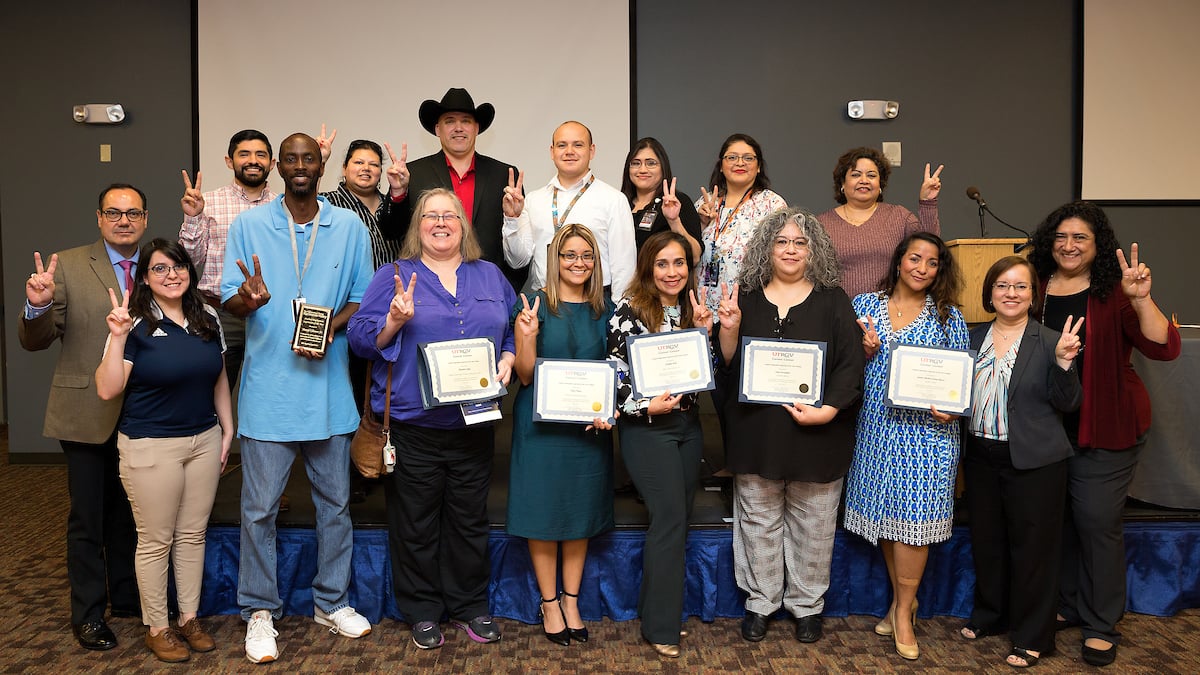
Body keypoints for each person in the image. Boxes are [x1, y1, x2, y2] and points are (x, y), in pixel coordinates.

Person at [221, 133, 374, 663]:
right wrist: (248, 297)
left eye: (310, 157)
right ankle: (260, 611)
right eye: (291, 158)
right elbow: (230, 303)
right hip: (268, 396)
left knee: (335, 507)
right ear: (280, 167)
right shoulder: (249, 226)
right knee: (259, 510)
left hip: (329, 393)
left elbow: (361, 298)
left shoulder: (349, 226)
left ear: (320, 164)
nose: (301, 165)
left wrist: (330, 328)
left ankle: (331, 602)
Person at [347, 188, 517, 650]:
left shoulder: (490, 276)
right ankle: (422, 610)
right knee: (415, 523)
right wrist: (395, 321)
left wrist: (508, 354)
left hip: (475, 425)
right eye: (430, 216)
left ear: (463, 225)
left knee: (468, 521)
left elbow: (515, 324)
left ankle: (468, 605)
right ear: (417, 225)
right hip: (413, 426)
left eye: (449, 215)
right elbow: (360, 340)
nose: (440, 223)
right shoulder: (394, 275)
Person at [1027, 202, 1181, 667]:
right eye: (1061, 237)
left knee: (1096, 523)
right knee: (1062, 523)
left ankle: (1101, 624)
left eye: (1081, 239)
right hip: (1048, 427)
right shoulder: (1036, 286)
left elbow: (1164, 347)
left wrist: (1140, 298)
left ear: (1098, 247)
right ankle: (1072, 605)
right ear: (1049, 242)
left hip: (1107, 424)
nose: (1069, 246)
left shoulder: (1115, 291)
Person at [716, 208, 864, 647]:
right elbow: (728, 363)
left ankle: (806, 607)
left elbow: (850, 367)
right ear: (767, 247)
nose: (791, 249)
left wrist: (829, 410)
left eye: (800, 242)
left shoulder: (834, 299)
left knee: (815, 525)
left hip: (819, 434)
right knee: (758, 522)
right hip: (757, 433)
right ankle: (761, 602)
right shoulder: (744, 295)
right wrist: (729, 329)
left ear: (813, 249)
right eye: (782, 241)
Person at [94, 238, 233, 663]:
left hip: (204, 441)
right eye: (159, 269)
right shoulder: (131, 322)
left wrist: (228, 430)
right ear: (145, 277)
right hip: (150, 446)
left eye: (177, 267)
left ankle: (189, 618)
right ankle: (158, 627)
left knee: (192, 535)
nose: (171, 275)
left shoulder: (206, 315)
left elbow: (218, 377)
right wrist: (116, 339)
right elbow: (107, 389)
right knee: (156, 540)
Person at [18, 183, 144, 651]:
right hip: (85, 410)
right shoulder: (67, 265)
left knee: (132, 514)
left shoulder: (158, 265)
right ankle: (89, 614)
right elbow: (36, 339)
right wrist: (38, 304)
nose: (124, 220)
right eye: (114, 212)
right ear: (99, 218)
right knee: (88, 518)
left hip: (143, 413)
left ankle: (129, 598)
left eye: (133, 213)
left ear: (145, 219)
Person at [844, 232, 968, 660]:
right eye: (915, 258)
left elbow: (959, 383)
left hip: (928, 436)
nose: (922, 267)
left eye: (932, 263)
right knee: (888, 520)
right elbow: (844, 367)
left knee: (914, 522)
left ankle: (901, 613)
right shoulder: (864, 305)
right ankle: (905, 601)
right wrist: (864, 352)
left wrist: (953, 409)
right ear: (899, 261)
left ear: (939, 272)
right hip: (877, 430)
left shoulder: (949, 316)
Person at [961, 256, 1084, 668]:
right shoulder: (971, 336)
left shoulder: (1052, 341)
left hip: (1035, 462)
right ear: (990, 292)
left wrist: (1065, 364)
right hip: (980, 456)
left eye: (1020, 287)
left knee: (1034, 551)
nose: (1010, 294)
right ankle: (992, 616)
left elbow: (1069, 403)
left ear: (1034, 295)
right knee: (988, 543)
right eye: (1002, 286)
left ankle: (1033, 636)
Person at [507, 224, 616, 646]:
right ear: (555, 260)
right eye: (569, 255)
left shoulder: (605, 309)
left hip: (588, 432)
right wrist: (527, 336)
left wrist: (611, 409)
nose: (578, 263)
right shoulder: (533, 306)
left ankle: (572, 600)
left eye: (586, 255)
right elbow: (525, 374)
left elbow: (616, 370)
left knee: (578, 515)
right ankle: (549, 603)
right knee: (543, 515)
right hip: (539, 430)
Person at [607, 231, 712, 658]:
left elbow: (709, 375)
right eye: (663, 264)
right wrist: (648, 406)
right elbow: (614, 379)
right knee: (669, 518)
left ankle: (659, 613)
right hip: (648, 429)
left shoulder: (693, 309)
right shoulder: (628, 310)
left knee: (677, 520)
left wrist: (707, 332)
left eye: (680, 264)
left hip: (689, 426)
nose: (673, 272)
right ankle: (662, 626)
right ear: (650, 268)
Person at [389, 87, 526, 291]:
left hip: (488, 288)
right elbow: (392, 232)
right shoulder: (412, 173)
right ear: (437, 129)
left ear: (477, 128)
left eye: (466, 121)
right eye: (450, 121)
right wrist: (398, 194)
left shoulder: (504, 175)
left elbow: (517, 249)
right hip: (428, 288)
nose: (458, 128)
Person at [179, 129, 276, 387]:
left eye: (261, 155)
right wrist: (193, 217)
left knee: (270, 390)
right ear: (229, 161)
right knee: (212, 390)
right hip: (219, 313)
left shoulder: (283, 206)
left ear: (272, 163)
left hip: (270, 314)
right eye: (244, 154)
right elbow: (189, 261)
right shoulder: (207, 202)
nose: (253, 160)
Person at [504, 121, 637, 301]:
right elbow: (517, 261)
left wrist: (619, 317)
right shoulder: (534, 200)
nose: (569, 151)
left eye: (578, 145)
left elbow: (624, 268)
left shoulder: (613, 200)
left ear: (592, 151)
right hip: (544, 303)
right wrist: (512, 219)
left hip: (595, 304)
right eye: (562, 145)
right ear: (552, 152)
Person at [816, 146, 942, 298]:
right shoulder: (821, 224)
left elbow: (931, 248)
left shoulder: (899, 217)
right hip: (838, 316)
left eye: (871, 175)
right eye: (856, 175)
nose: (864, 181)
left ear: (880, 184)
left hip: (891, 314)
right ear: (842, 183)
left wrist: (928, 202)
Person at [695, 133, 787, 315]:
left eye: (748, 158)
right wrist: (702, 223)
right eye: (731, 157)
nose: (740, 163)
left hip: (752, 306)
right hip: (703, 308)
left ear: (759, 166)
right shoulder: (704, 204)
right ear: (721, 166)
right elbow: (690, 254)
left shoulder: (772, 204)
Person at [320, 139, 405, 269]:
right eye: (359, 162)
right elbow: (304, 204)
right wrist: (320, 162)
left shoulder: (394, 206)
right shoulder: (328, 203)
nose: (366, 168)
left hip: (396, 287)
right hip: (350, 289)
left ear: (381, 172)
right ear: (344, 168)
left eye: (374, 165)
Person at [619, 137, 702, 259]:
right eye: (636, 163)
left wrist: (674, 221)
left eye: (651, 163)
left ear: (663, 167)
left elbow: (695, 257)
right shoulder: (619, 203)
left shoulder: (676, 201)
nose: (642, 170)